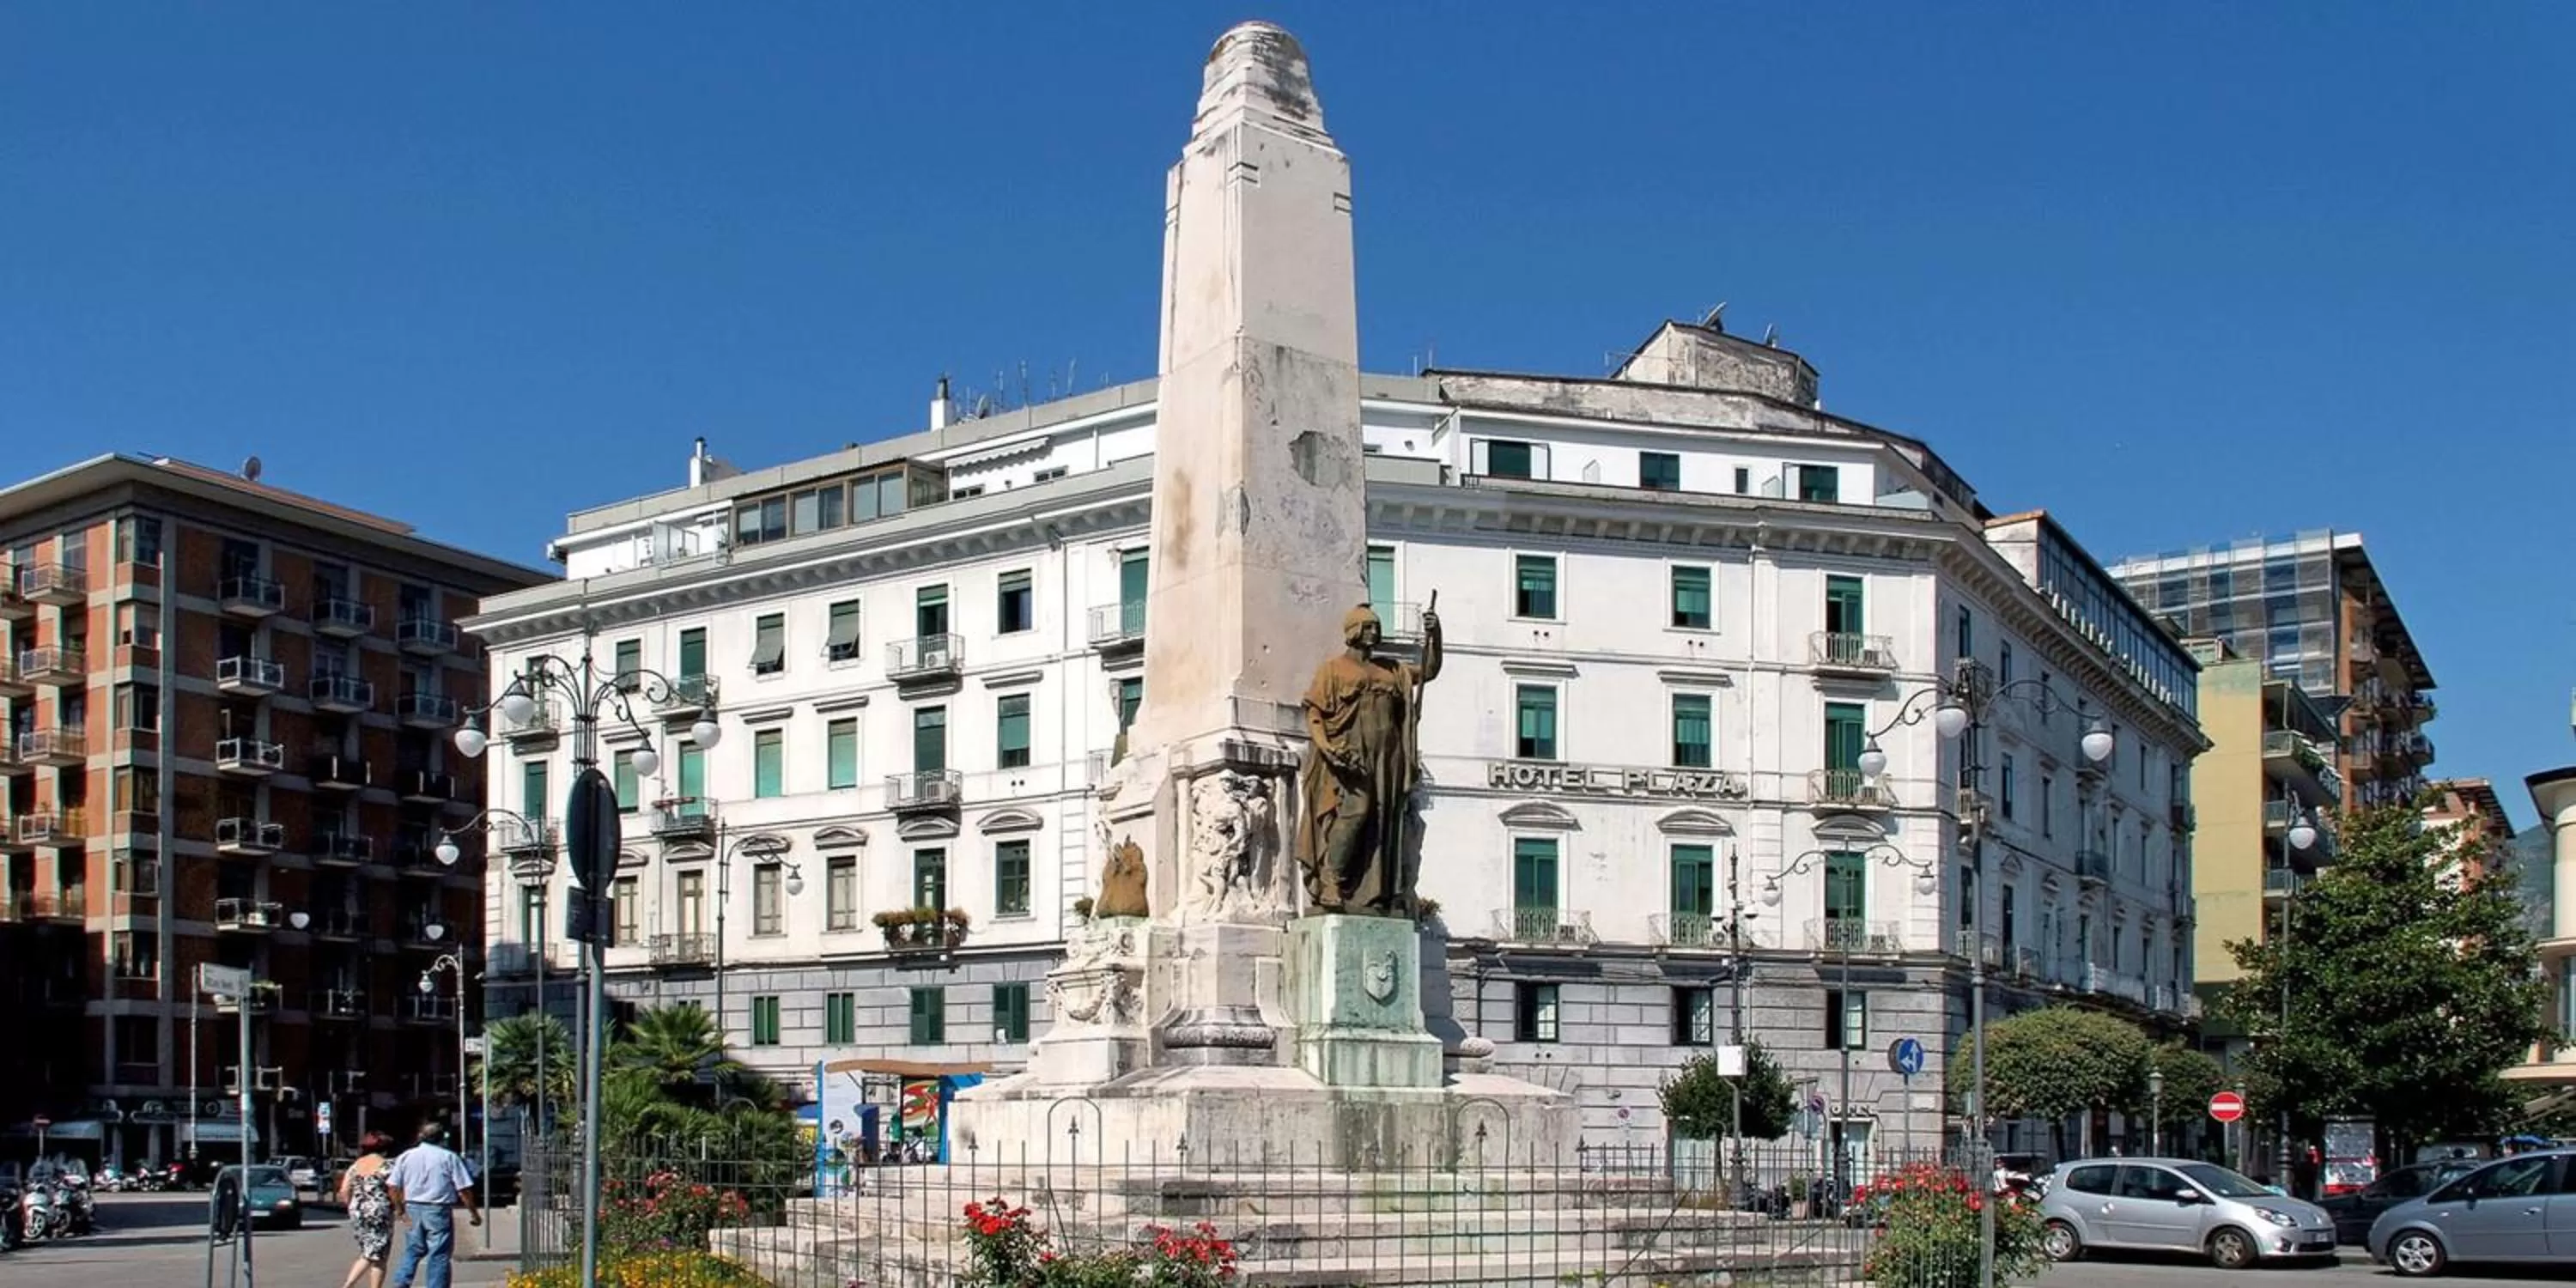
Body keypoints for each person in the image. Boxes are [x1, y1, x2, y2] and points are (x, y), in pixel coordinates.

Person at [385, 1124, 480, 1288]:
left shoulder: (406, 1156)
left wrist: (400, 1209)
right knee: (439, 1253)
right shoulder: (448, 1157)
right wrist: (473, 1213)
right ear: (442, 1138)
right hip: (438, 1208)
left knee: (413, 1249)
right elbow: (463, 1189)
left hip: (413, 1206)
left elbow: (393, 1186)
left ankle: (401, 1282)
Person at [336, 1133, 398, 1288]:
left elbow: (344, 1191)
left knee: (368, 1251)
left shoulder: (355, 1166)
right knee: (379, 1256)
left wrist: (352, 1205)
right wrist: (399, 1208)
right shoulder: (386, 1165)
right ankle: (356, 1285)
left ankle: (350, 1284)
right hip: (378, 1212)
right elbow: (393, 1190)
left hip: (358, 1212)